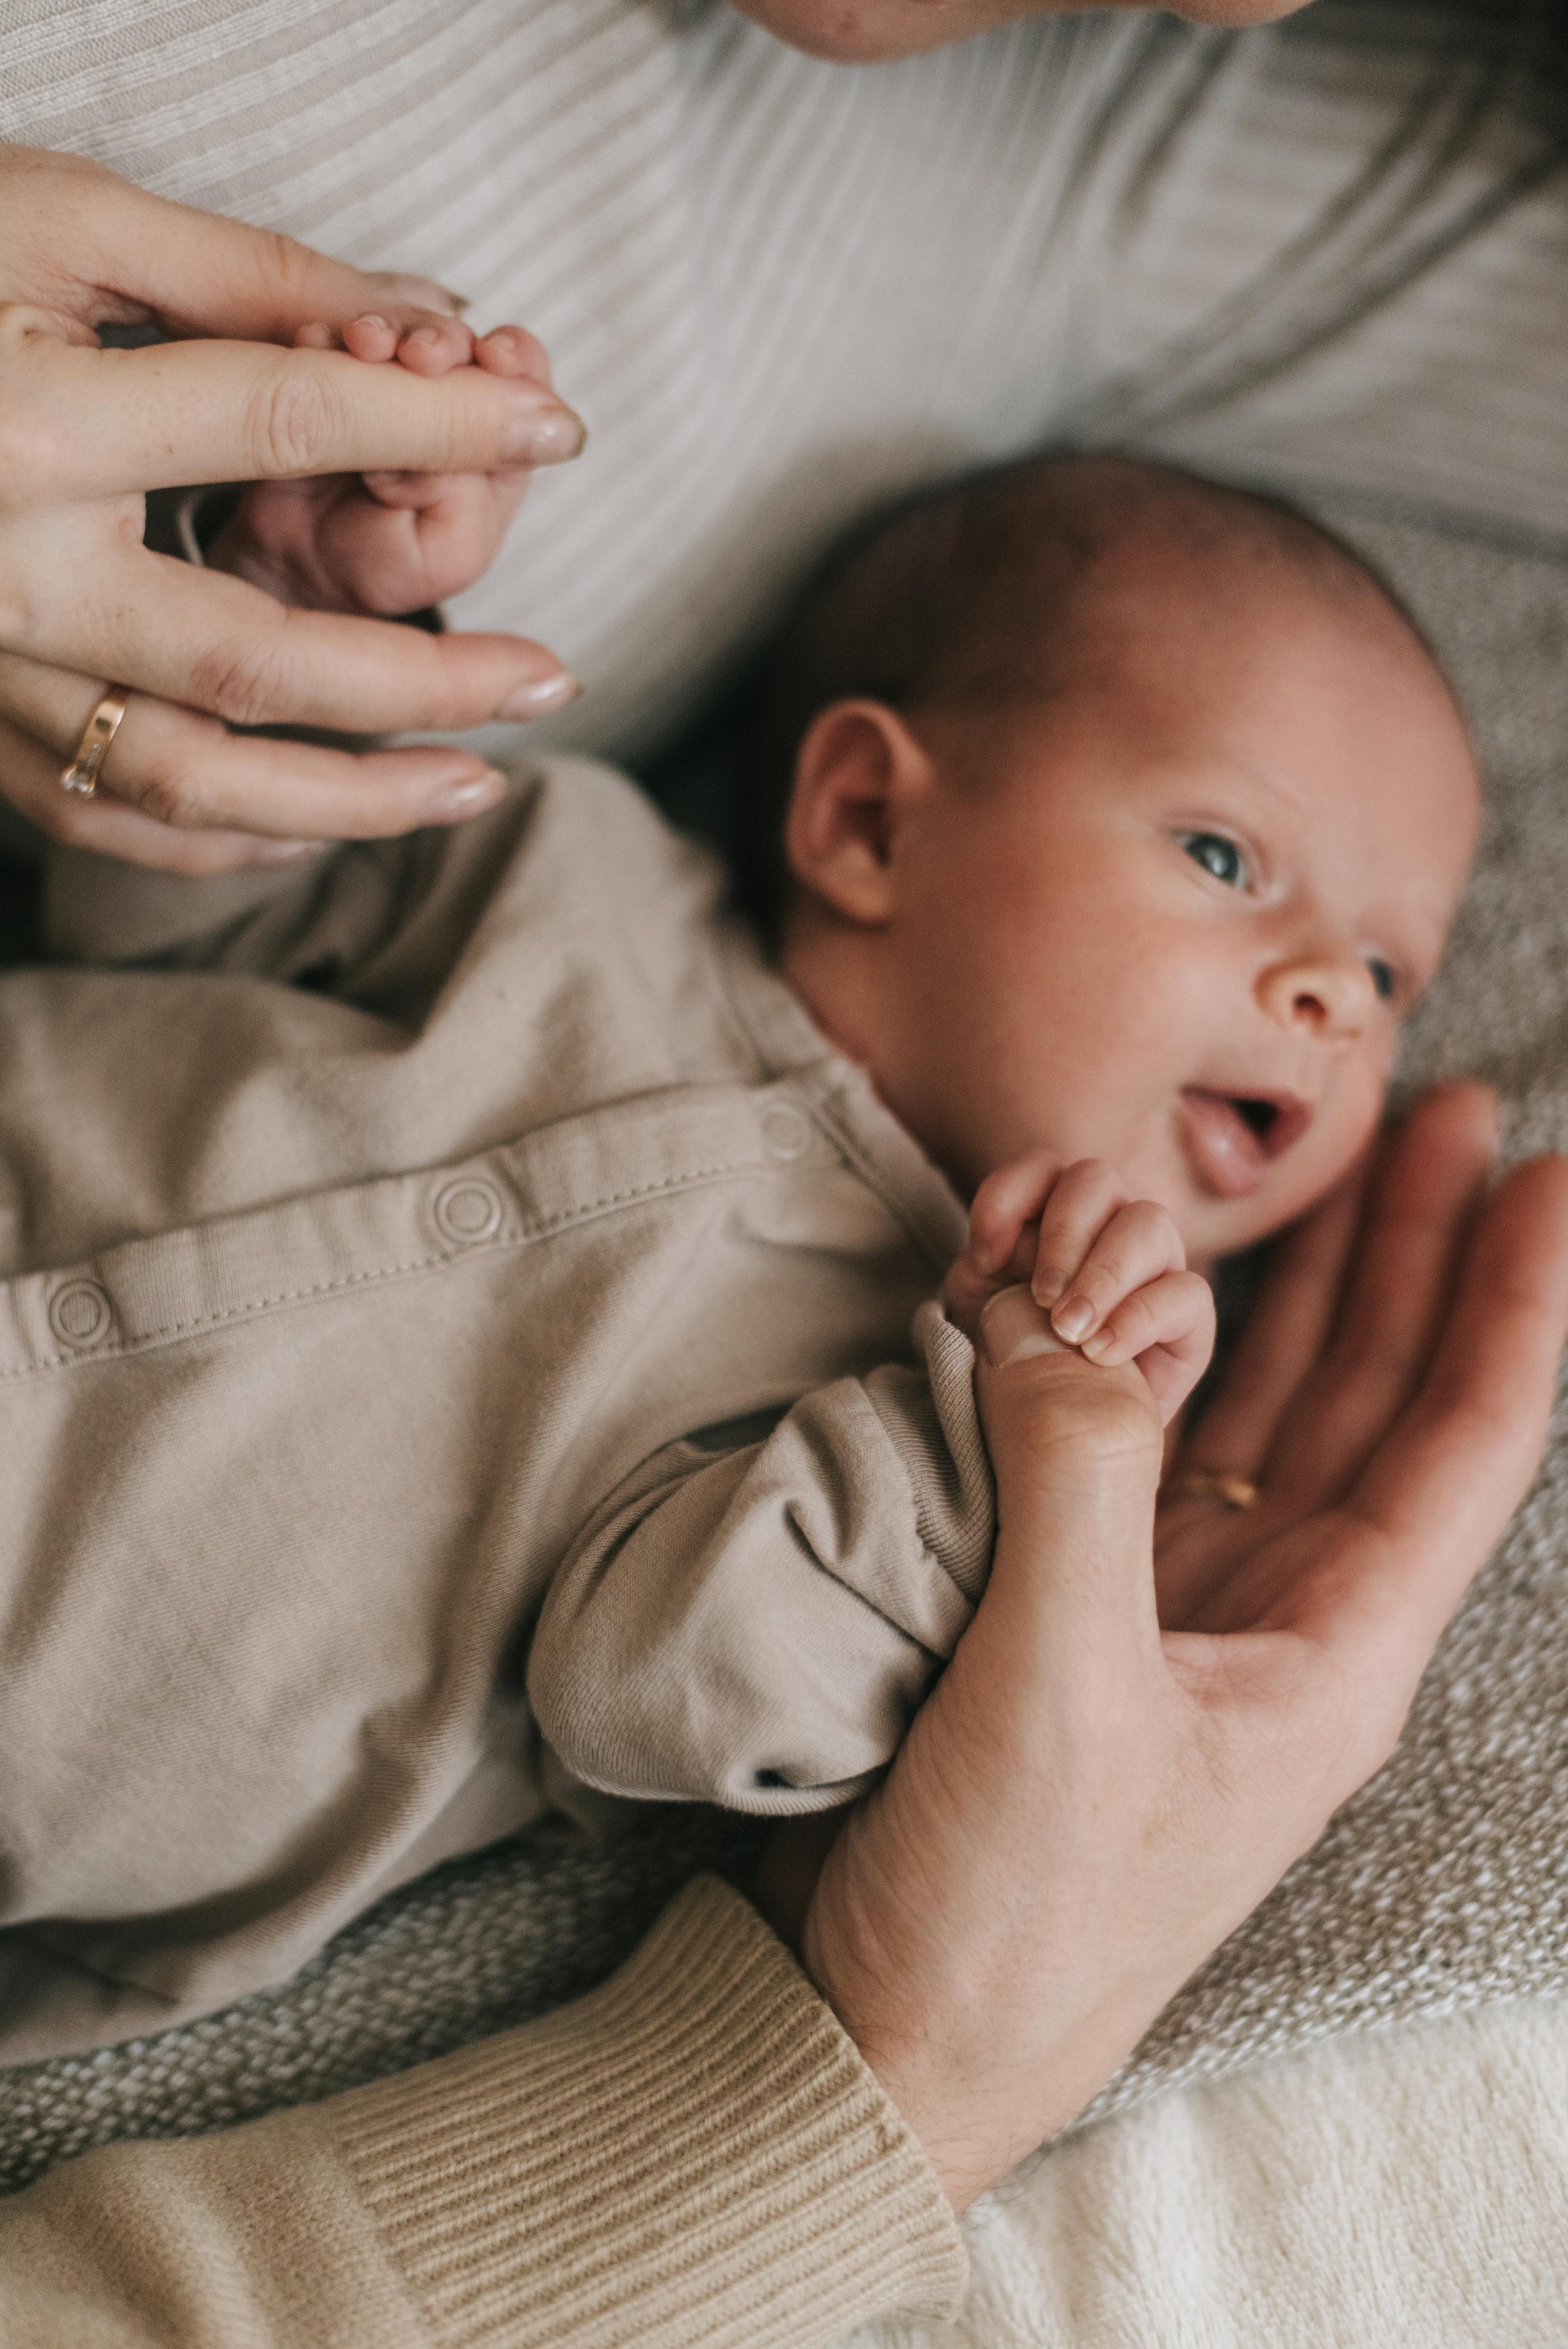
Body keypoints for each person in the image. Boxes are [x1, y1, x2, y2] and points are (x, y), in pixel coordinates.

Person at [2, 0, 1566, 2337]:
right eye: (1229, 855)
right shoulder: (565, 871)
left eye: (1384, 969)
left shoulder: (914, 1415)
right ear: (861, 814)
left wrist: (1021, 1447)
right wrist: (321, 616)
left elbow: (669, 1684)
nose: (1334, 997)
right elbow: (166, 909)